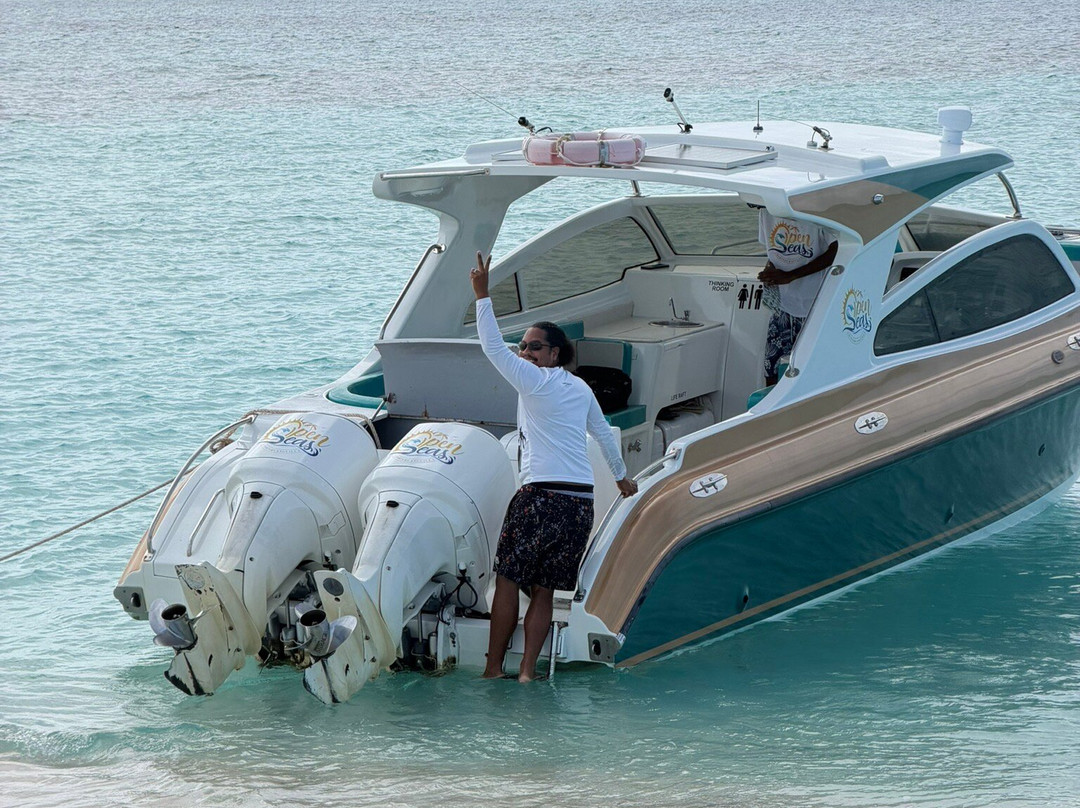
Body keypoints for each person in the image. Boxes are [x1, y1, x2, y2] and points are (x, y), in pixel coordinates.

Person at [469, 252, 638, 682]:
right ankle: (527, 673)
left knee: (508, 580)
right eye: (522, 345)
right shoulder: (580, 388)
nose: (524, 351)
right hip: (578, 504)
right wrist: (621, 479)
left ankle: (492, 669)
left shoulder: (535, 380)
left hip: (539, 497)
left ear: (553, 353)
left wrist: (483, 296)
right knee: (543, 590)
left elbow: (490, 346)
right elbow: (602, 433)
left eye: (533, 346)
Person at [756, 208, 838, 385]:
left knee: (811, 368)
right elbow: (774, 251)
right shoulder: (765, 212)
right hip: (783, 307)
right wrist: (770, 270)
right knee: (772, 368)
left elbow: (836, 250)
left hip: (814, 306)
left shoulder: (813, 212)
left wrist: (792, 275)